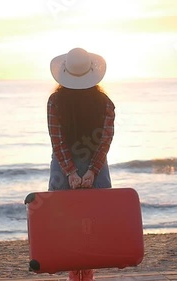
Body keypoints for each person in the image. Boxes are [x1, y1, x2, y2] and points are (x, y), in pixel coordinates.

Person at [47, 48, 115, 281]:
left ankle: (74, 274)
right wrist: (93, 171)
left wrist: (70, 172)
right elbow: (104, 141)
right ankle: (87, 274)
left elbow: (58, 141)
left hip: (63, 165)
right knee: (93, 222)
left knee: (66, 222)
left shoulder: (55, 101)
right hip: (96, 164)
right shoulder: (105, 102)